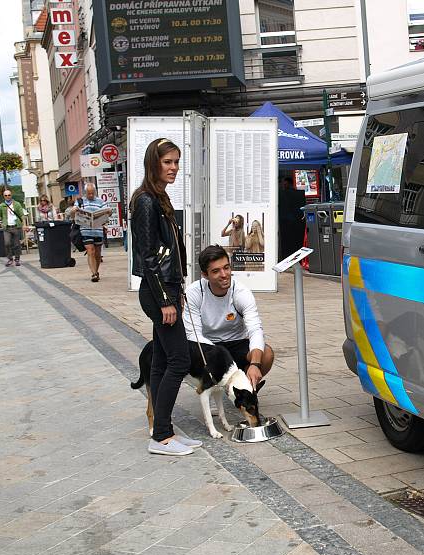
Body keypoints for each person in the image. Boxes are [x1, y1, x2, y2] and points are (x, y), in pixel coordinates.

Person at [131, 137, 198, 457]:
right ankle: (161, 435)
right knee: (180, 360)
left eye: (176, 162)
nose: (174, 168)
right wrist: (164, 300)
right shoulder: (145, 200)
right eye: (168, 162)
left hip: (167, 289)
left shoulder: (158, 198)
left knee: (160, 362)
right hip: (157, 293)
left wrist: (177, 291)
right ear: (153, 163)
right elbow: (147, 256)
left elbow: (167, 253)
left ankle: (163, 431)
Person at [183, 244, 274, 390]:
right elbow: (193, 334)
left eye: (226, 267)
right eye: (216, 271)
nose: (224, 274)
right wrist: (220, 356)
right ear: (205, 275)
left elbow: (255, 329)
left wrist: (255, 364)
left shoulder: (241, 292)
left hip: (237, 342)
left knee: (267, 354)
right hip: (208, 346)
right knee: (192, 350)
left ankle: (244, 389)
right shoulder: (194, 292)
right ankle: (208, 388)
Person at [78, 183, 107, 282]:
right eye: (88, 193)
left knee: (98, 253)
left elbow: (106, 213)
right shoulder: (80, 201)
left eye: (92, 193)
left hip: (98, 230)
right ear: (85, 192)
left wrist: (108, 213)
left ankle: (96, 270)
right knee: (90, 251)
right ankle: (94, 273)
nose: (90, 195)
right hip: (85, 230)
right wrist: (74, 210)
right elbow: (73, 213)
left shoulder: (100, 201)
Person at [278, 176, 306, 260]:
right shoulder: (299, 194)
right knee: (296, 242)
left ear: (287, 184)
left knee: (288, 243)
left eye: (284, 183)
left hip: (287, 222)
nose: (283, 185)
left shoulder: (283, 195)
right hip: (297, 222)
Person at [0, 188, 28, 267]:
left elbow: (22, 215)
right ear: (4, 196)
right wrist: (2, 222)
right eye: (6, 195)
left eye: (9, 195)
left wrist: (24, 225)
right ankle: (10, 259)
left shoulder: (17, 204)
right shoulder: (1, 206)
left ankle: (17, 259)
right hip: (7, 228)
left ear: (11, 195)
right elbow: (0, 215)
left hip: (16, 226)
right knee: (7, 243)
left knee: (16, 244)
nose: (7, 196)